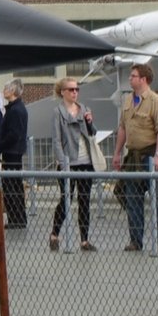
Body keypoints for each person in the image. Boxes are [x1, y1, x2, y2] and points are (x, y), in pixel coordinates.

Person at [113, 64, 158, 252]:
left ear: (143, 79)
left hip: (149, 156)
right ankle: (136, 241)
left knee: (157, 199)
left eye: (133, 76)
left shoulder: (155, 101)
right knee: (133, 200)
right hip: (133, 157)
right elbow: (122, 128)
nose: (130, 79)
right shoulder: (128, 100)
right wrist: (117, 153)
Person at [46, 77, 97, 252]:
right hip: (68, 162)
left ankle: (84, 240)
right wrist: (63, 162)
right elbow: (56, 139)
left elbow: (93, 133)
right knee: (66, 199)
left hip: (85, 161)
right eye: (71, 89)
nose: (75, 92)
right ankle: (55, 234)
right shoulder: (58, 112)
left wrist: (90, 122)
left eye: (76, 89)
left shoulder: (84, 109)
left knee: (84, 200)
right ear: (63, 92)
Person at [0, 80, 31, 229]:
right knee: (13, 185)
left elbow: (14, 134)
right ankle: (17, 218)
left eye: (7, 88)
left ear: (14, 91)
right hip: (13, 150)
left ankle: (17, 218)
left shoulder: (16, 110)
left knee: (11, 186)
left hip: (12, 151)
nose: (4, 90)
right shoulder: (15, 108)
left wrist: (0, 146)